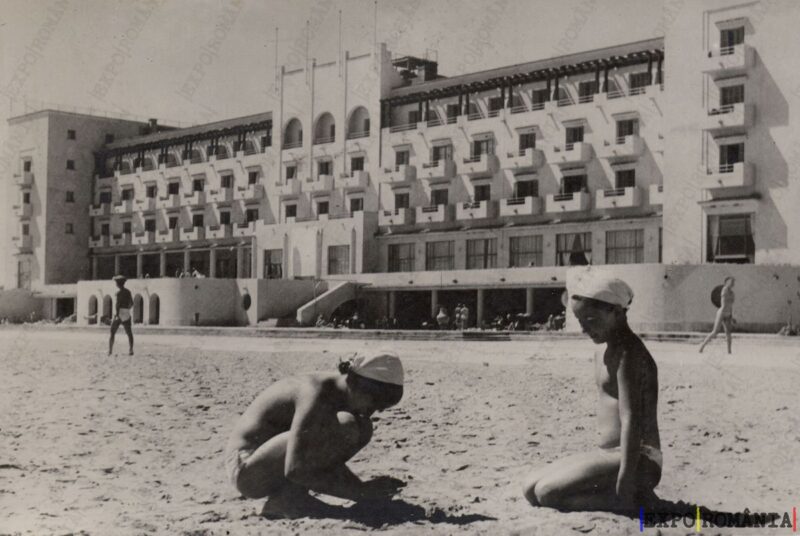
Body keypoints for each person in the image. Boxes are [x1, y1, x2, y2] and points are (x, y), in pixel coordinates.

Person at [523, 273, 661, 512]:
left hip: (639, 459)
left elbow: (632, 420)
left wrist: (625, 479)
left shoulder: (629, 354)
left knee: (547, 494)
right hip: (610, 455)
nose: (584, 328)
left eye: (591, 319)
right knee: (530, 488)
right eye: (580, 320)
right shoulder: (606, 350)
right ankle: (622, 495)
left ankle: (632, 501)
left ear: (617, 312)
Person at [225, 352, 406, 517]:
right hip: (246, 470)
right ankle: (287, 500)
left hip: (270, 461)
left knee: (362, 427)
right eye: (374, 402)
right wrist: (361, 493)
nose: (373, 410)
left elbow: (316, 453)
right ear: (354, 383)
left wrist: (362, 489)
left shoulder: (340, 391)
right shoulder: (316, 392)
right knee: (347, 425)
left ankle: (289, 496)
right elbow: (296, 468)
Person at [698, 276, 736, 354]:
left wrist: (731, 316)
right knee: (715, 332)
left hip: (728, 314)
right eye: (731, 281)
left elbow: (731, 306)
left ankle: (729, 351)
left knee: (728, 333)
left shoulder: (732, 293)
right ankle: (702, 346)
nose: (733, 283)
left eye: (733, 282)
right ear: (727, 282)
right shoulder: (725, 290)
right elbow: (724, 304)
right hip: (722, 313)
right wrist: (726, 314)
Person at [108, 275, 134, 356]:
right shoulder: (128, 292)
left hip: (120, 312)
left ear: (118, 283)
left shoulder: (118, 293)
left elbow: (117, 304)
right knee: (129, 332)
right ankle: (131, 350)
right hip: (126, 312)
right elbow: (132, 303)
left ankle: (110, 351)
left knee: (112, 331)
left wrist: (116, 314)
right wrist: (127, 309)